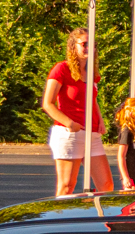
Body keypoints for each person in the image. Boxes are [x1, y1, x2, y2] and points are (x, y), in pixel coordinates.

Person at [42, 28, 114, 197]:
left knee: (106, 184)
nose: (90, 48)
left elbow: (92, 99)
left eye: (93, 45)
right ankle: (59, 221)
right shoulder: (61, 69)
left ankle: (98, 220)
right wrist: (69, 123)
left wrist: (100, 121)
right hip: (69, 133)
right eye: (85, 44)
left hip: (92, 134)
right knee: (67, 186)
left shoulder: (92, 73)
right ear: (73, 46)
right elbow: (48, 104)